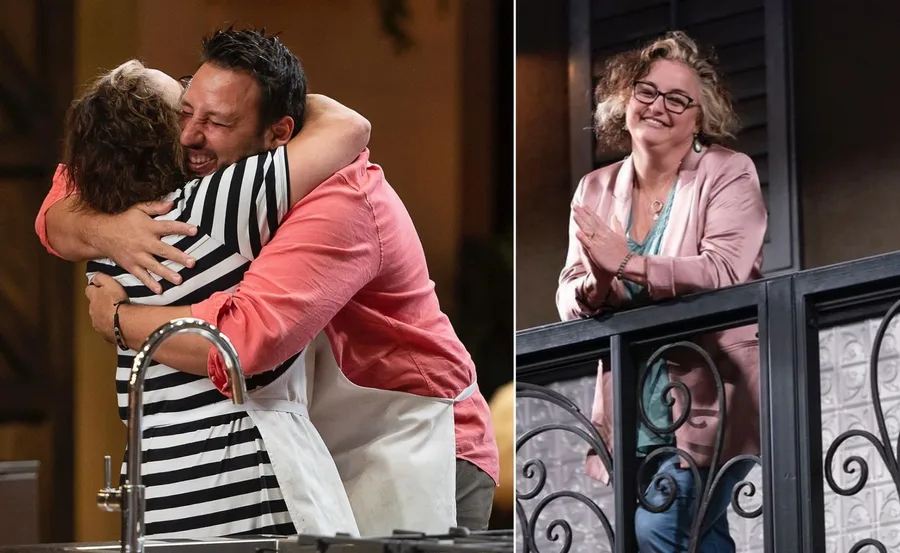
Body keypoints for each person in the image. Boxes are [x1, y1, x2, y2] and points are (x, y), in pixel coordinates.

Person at [36, 28, 499, 535]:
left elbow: (246, 340)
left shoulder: (338, 196)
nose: (189, 135)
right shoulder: (207, 191)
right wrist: (106, 228)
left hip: (410, 441)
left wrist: (120, 319)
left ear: (279, 134)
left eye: (217, 121)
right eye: (185, 111)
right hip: (309, 447)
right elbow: (58, 205)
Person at [44, 37, 372, 537]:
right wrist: (268, 95)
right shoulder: (222, 205)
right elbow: (350, 128)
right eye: (181, 108)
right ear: (164, 138)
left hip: (158, 490)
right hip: (240, 481)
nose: (195, 126)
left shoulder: (100, 251)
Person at [556, 31, 766, 553]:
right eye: (647, 91)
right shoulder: (595, 188)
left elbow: (724, 269)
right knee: (698, 536)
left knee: (660, 528)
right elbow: (568, 296)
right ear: (625, 101)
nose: (659, 107)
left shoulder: (727, 172)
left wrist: (627, 263)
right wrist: (599, 281)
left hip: (711, 393)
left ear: (700, 119)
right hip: (632, 402)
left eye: (678, 99)